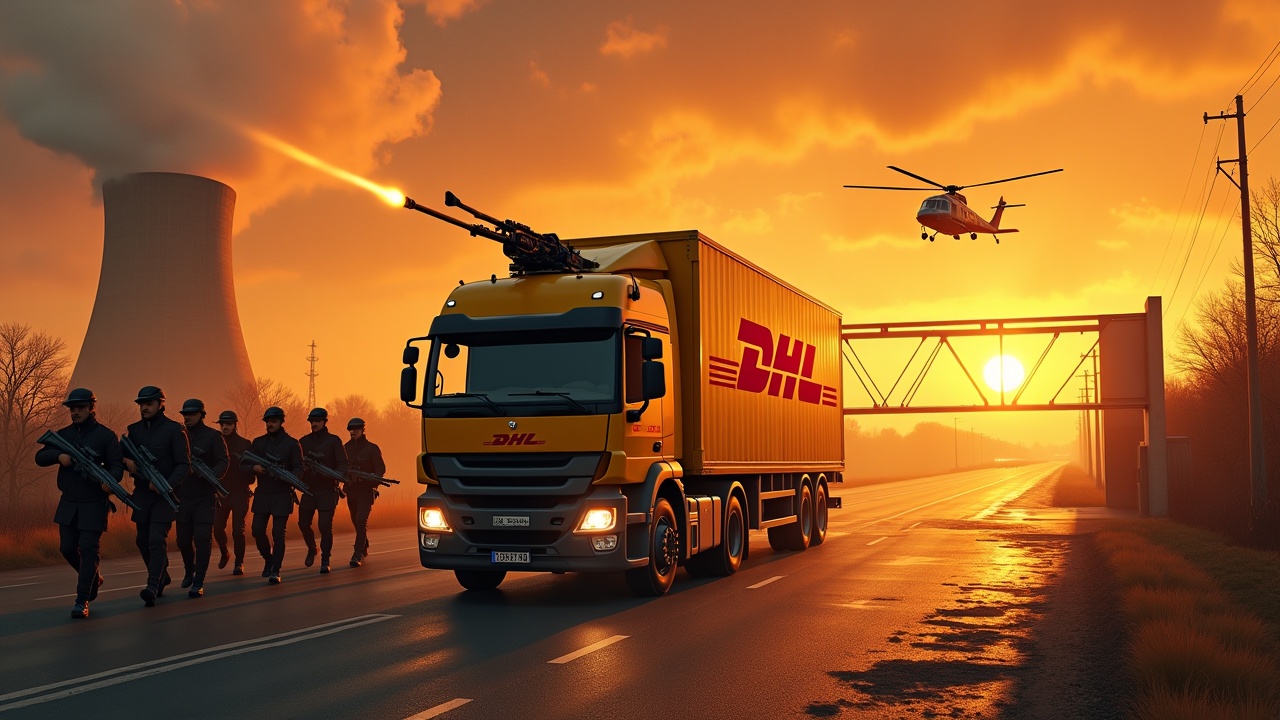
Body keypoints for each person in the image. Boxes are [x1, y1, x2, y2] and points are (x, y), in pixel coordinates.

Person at [34, 388, 124, 619]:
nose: (75, 412)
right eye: (72, 409)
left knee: (88, 549)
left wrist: (109, 481)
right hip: (69, 502)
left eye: (80, 408)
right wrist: (58, 456)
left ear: (91, 408)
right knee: (66, 548)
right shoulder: (62, 435)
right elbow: (40, 457)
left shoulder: (106, 435)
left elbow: (116, 467)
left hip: (94, 502)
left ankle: (82, 599)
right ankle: (93, 577)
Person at [122, 385, 190, 607]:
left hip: (165, 495)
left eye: (148, 404)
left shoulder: (174, 430)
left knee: (156, 539)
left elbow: (183, 465)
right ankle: (162, 574)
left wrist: (165, 485)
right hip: (141, 494)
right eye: (141, 404)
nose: (143, 408)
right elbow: (120, 456)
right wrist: (127, 462)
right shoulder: (134, 431)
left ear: (161, 405)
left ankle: (152, 586)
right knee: (142, 540)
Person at [175, 399, 228, 598]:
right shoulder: (179, 436)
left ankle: (199, 580)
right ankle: (190, 569)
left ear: (201, 415)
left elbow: (223, 460)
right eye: (184, 414)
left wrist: (210, 475)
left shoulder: (213, 436)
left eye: (191, 414)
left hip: (205, 496)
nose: (187, 417)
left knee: (203, 538)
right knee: (182, 540)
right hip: (183, 495)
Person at [245, 406, 302, 584]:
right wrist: (253, 468)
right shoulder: (258, 442)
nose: (270, 424)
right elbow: (243, 464)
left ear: (281, 422)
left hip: (282, 493)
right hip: (262, 493)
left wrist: (287, 476)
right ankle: (268, 560)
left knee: (278, 533)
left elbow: (299, 468)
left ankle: (276, 570)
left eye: (274, 421)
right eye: (268, 421)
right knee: (257, 531)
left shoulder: (292, 444)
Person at [297, 407, 348, 574]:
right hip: (310, 489)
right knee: (303, 523)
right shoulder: (303, 442)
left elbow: (342, 463)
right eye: (312, 421)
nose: (314, 424)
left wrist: (335, 474)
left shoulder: (334, 441)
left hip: (328, 489)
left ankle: (326, 559)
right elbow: (297, 464)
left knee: (324, 525)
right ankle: (313, 548)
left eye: (317, 421)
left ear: (324, 422)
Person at [213, 410, 254, 575]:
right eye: (222, 424)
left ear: (235, 425)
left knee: (238, 529)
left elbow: (251, 473)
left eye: (228, 424)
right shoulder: (214, 443)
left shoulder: (245, 444)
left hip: (239, 492)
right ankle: (224, 552)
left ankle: (239, 562)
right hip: (220, 493)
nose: (225, 427)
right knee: (217, 528)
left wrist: (245, 473)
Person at [343, 417, 386, 567]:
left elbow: (380, 469)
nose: (352, 432)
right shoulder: (345, 448)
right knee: (355, 520)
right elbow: (340, 468)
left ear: (362, 430)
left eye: (355, 429)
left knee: (361, 520)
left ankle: (358, 553)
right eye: (350, 429)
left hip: (366, 491)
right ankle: (364, 543)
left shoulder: (371, 448)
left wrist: (372, 481)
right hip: (351, 490)